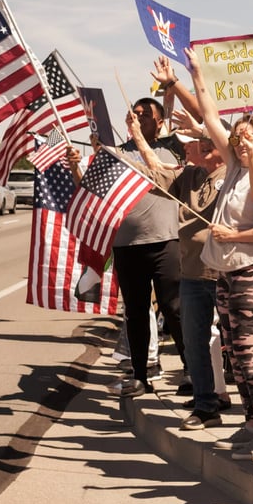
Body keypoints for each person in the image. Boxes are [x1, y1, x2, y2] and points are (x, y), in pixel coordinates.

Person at [179, 46, 253, 462]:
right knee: (233, 351)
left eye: (247, 136)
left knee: (248, 350)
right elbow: (208, 118)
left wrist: (234, 234)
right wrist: (197, 74)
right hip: (226, 270)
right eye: (237, 136)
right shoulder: (233, 167)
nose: (240, 141)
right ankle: (251, 423)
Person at [133, 56, 235, 430]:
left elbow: (209, 117)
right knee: (193, 341)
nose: (183, 147)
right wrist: (138, 144)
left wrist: (177, 83)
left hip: (228, 272)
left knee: (240, 348)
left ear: (209, 146)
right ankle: (206, 404)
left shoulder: (233, 166)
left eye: (190, 143)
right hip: (193, 273)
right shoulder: (188, 174)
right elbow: (158, 175)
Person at [90, 96, 184, 398]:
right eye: (134, 114)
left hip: (166, 241)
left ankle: (192, 371)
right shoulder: (115, 152)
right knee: (136, 312)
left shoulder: (172, 148)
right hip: (127, 245)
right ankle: (140, 375)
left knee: (174, 309)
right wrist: (86, 162)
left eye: (145, 115)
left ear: (159, 121)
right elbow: (95, 190)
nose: (137, 118)